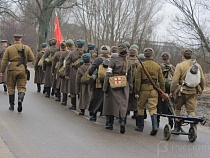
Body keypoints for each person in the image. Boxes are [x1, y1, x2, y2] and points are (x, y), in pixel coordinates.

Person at [170, 48, 205, 131]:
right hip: (193, 92)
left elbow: (175, 81)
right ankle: (193, 127)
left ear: (183, 56)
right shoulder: (197, 65)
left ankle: (177, 127)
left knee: (177, 109)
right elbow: (202, 79)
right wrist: (201, 90)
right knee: (191, 110)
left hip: (181, 92)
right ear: (191, 56)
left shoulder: (180, 65)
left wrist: (172, 91)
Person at [0, 34, 34, 112]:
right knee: (22, 87)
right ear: (21, 39)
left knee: (11, 87)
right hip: (22, 69)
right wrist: (24, 60)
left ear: (14, 39)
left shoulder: (9, 49)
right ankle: (20, 100)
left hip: (11, 69)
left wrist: (2, 71)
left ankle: (12, 105)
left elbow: (4, 61)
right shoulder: (26, 48)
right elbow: (32, 58)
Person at [134, 48, 165, 136]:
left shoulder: (141, 66)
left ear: (144, 55)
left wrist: (137, 91)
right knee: (153, 108)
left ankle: (140, 127)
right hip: (154, 90)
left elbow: (137, 80)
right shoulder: (157, 66)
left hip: (143, 89)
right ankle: (154, 127)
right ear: (152, 55)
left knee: (140, 107)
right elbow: (162, 80)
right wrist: (162, 92)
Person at [103, 43, 132, 134]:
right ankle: (122, 121)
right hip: (124, 84)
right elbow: (130, 77)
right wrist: (130, 87)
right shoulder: (128, 62)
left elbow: (108, 74)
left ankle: (110, 124)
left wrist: (105, 86)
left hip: (113, 83)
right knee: (123, 104)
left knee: (111, 103)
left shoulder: (113, 61)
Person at [88, 45, 110, 121]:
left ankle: (93, 114)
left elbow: (90, 71)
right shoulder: (111, 60)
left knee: (96, 98)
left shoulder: (97, 60)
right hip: (108, 83)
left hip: (98, 83)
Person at [65, 39, 85, 110]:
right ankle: (82, 107)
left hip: (74, 72)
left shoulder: (71, 53)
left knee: (73, 88)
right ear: (83, 46)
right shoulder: (86, 53)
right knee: (82, 88)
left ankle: (74, 105)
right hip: (83, 71)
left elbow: (67, 64)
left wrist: (66, 73)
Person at [157, 52, 175, 128]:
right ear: (169, 59)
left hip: (161, 89)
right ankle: (171, 122)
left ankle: (156, 123)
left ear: (162, 59)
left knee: (159, 105)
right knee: (171, 105)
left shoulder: (158, 67)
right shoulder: (173, 68)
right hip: (170, 89)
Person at [127, 44, 139, 120]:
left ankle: (124, 115)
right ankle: (136, 114)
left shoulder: (126, 61)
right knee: (135, 100)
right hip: (135, 83)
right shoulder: (138, 62)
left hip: (127, 82)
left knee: (126, 98)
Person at [60, 39, 74, 105]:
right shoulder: (75, 52)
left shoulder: (64, 53)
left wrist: (61, 70)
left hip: (66, 69)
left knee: (65, 85)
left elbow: (61, 62)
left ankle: (64, 100)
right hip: (74, 71)